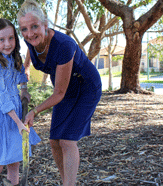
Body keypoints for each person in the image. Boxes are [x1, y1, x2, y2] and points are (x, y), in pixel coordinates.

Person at [17, 0, 102, 185]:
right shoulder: (30, 39)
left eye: (34, 27)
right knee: (54, 141)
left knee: (66, 141)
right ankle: (66, 182)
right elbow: (30, 51)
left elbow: (59, 94)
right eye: (24, 29)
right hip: (64, 87)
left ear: (45, 25)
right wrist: (25, 73)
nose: (29, 33)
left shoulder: (63, 45)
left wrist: (34, 111)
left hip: (85, 86)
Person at [0, 18, 41, 186]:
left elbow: (22, 73)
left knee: (15, 162)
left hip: (15, 110)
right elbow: (1, 97)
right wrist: (18, 122)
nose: (8, 44)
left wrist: (23, 89)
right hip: (0, 115)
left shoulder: (14, 58)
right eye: (1, 39)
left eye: (11, 38)